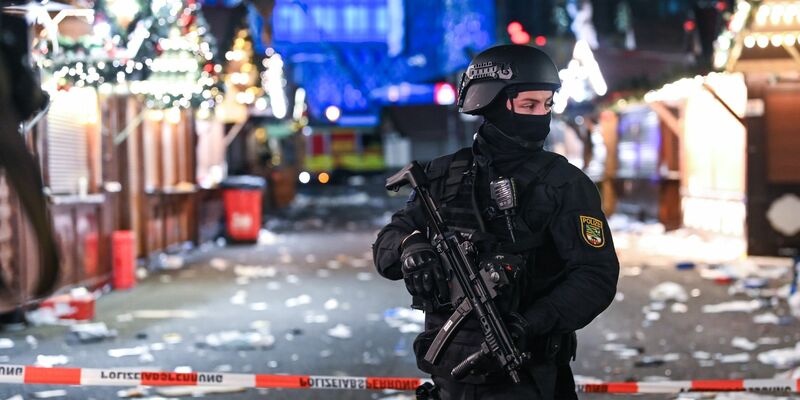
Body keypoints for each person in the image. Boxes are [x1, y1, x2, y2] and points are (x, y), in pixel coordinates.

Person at [372, 44, 619, 399]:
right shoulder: (442, 177)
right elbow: (387, 244)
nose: (542, 116)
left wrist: (530, 324)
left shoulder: (564, 184)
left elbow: (595, 276)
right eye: (529, 105)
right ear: (492, 103)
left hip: (529, 377)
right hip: (450, 377)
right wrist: (411, 246)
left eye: (547, 105)